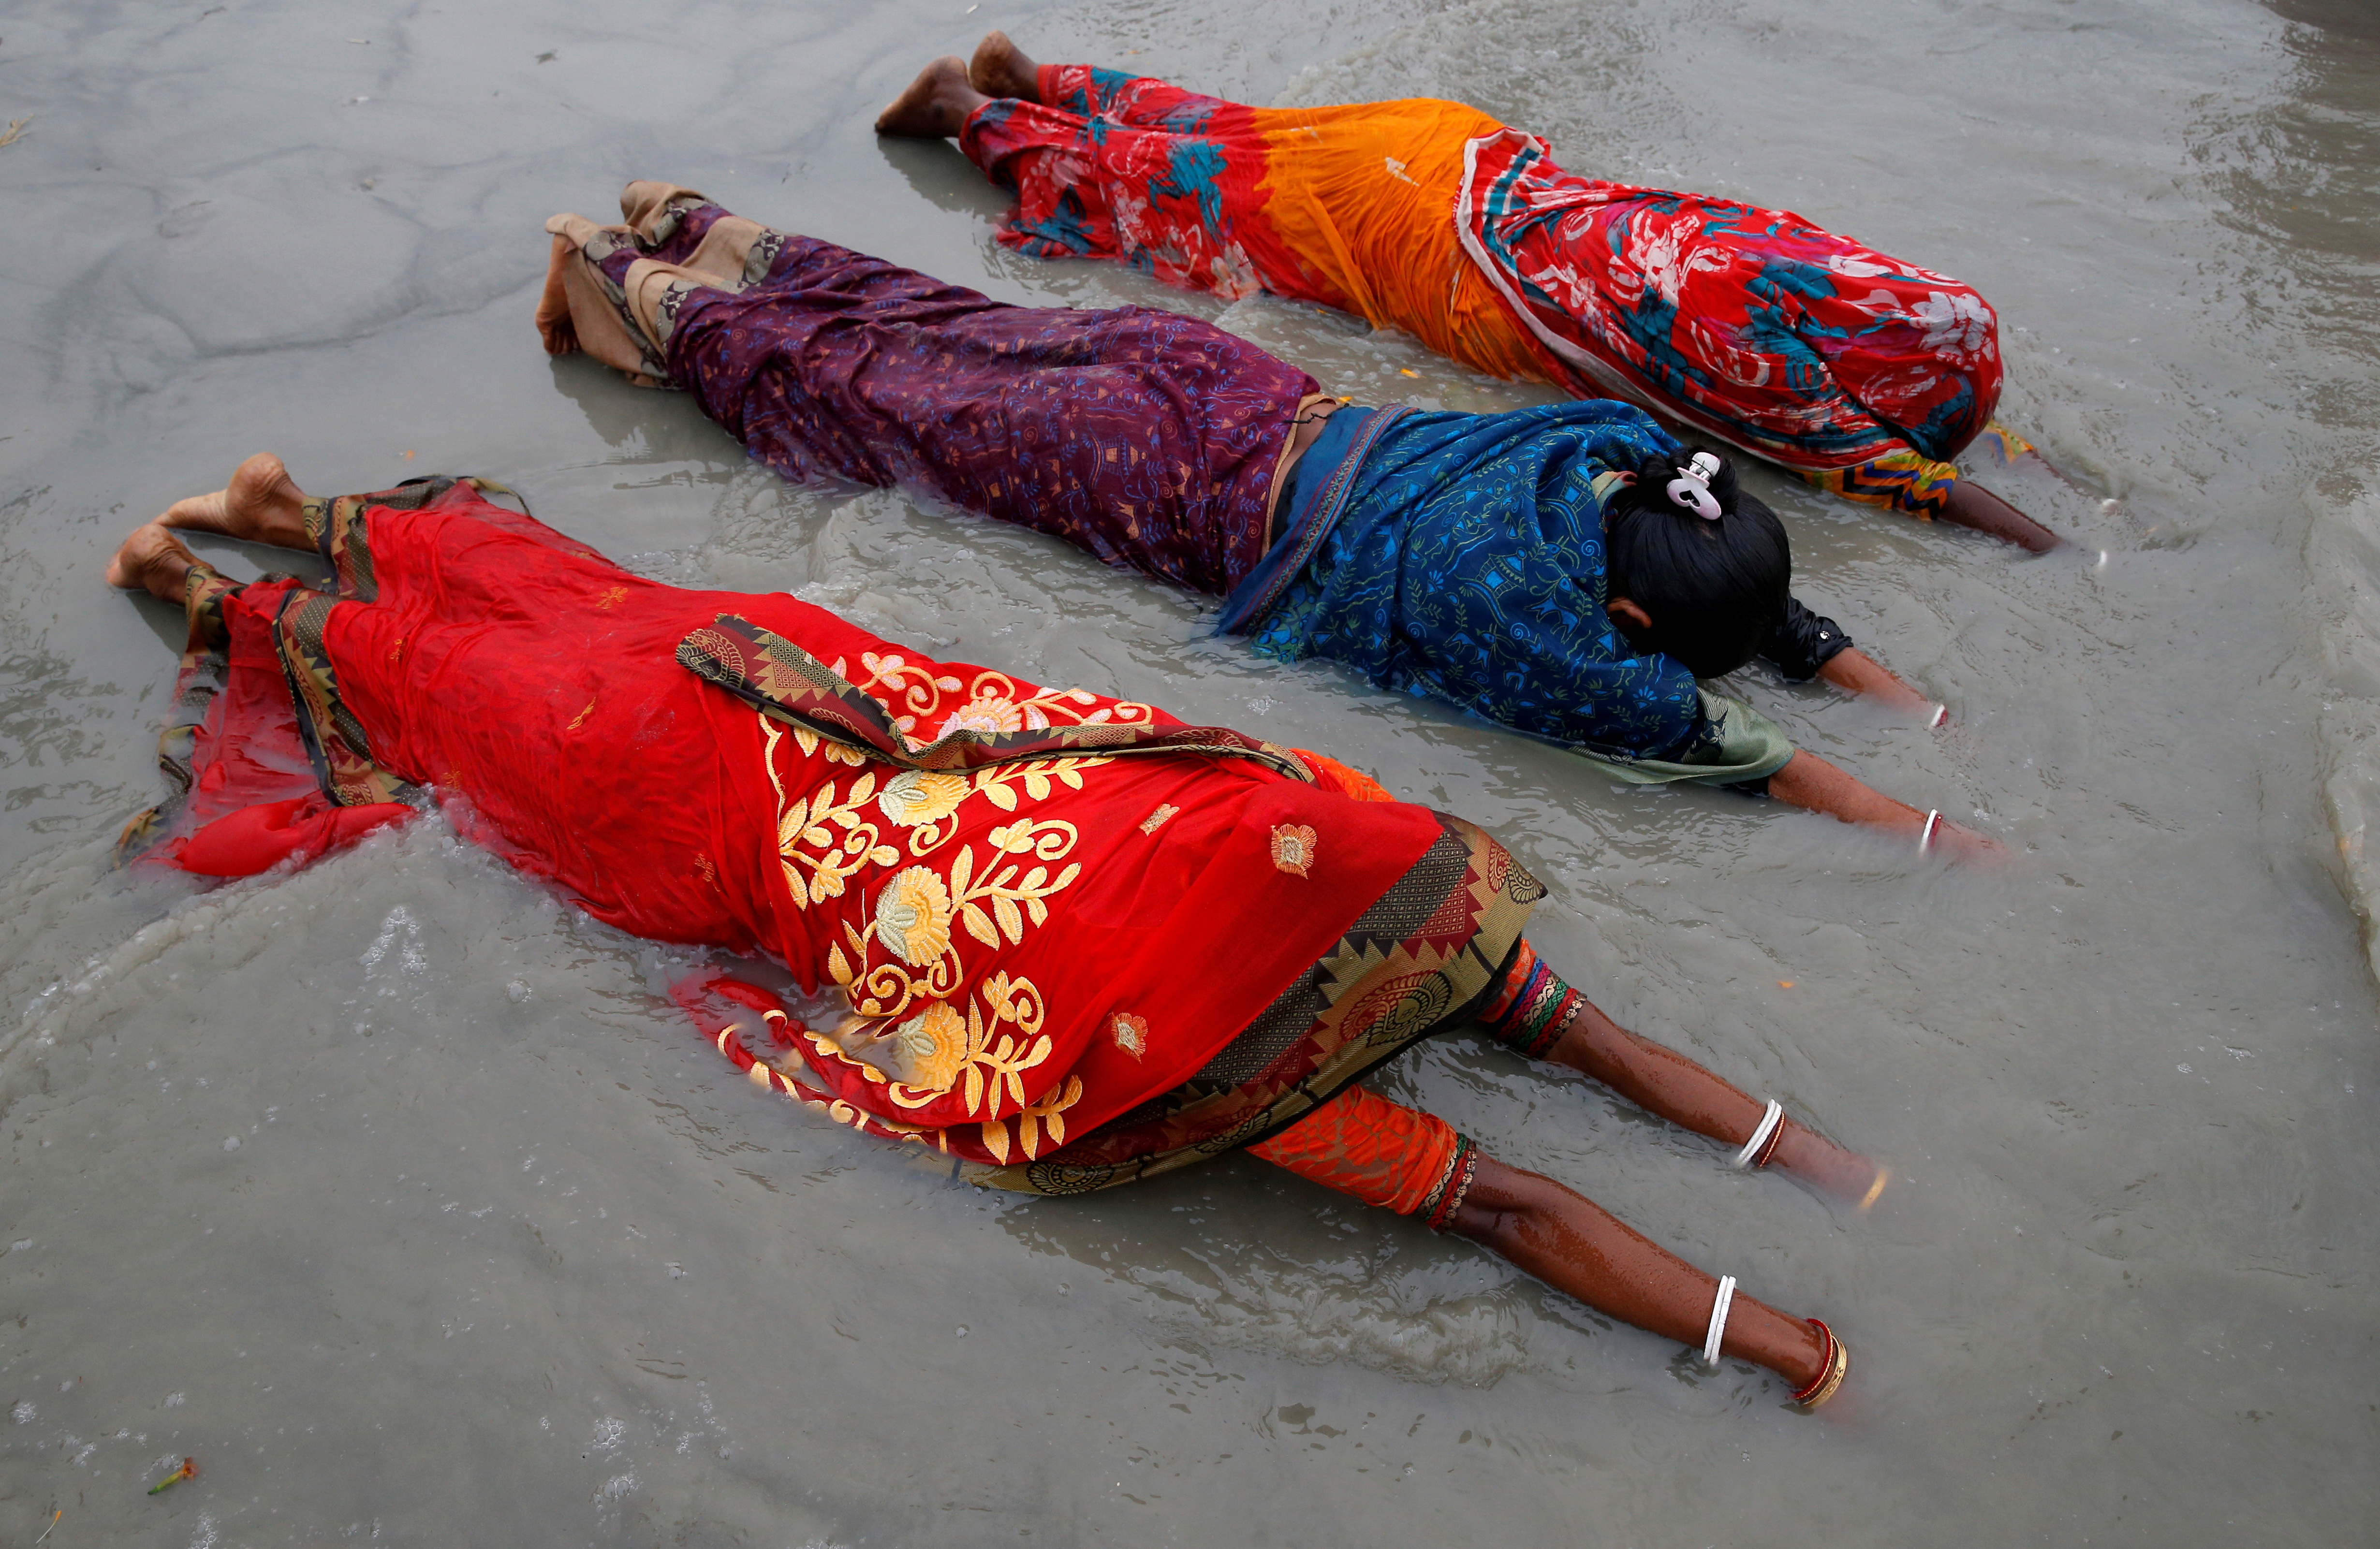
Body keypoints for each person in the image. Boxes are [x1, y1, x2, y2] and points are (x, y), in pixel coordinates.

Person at [103, 454, 1871, 1406]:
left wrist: (1800, 1332)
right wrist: (1802, 1312)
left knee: (576, 644)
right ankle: (210, 580)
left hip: (829, 692)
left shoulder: (1289, 836)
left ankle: (275, 531)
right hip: (743, 812)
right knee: (518, 711)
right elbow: (1539, 1151)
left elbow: (1524, 1187)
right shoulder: (1369, 915)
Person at [535, 183, 1993, 858]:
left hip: (1234, 387)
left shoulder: (1601, 460)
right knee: (897, 405)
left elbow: (1736, 576)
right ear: (1627, 626)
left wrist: (1901, 698)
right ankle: (661, 306)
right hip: (1163, 486)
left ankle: (713, 236)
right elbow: (1764, 760)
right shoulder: (1560, 644)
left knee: (973, 331)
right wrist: (1938, 826)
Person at [873, 35, 2069, 553]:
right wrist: (2051, 545)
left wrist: (2031, 471)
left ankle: (1041, 77)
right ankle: (967, 115)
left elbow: (1875, 415)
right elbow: (1852, 462)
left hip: (1450, 150)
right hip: (1412, 242)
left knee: (1238, 142)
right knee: (1177, 204)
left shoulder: (1784, 255)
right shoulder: (1729, 342)